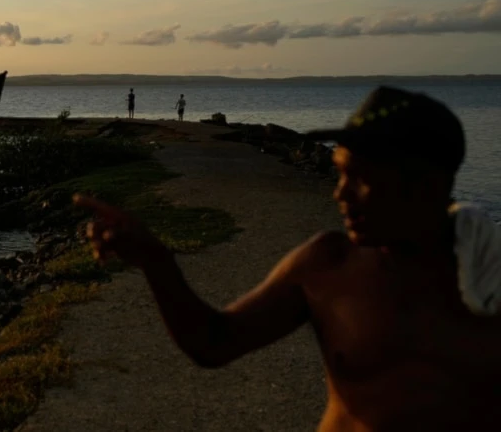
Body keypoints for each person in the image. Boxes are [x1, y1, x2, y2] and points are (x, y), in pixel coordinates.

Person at [76, 86, 501, 431]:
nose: (340, 194)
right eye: (339, 173)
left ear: (428, 185)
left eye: (362, 178)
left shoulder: (487, 287)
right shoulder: (329, 265)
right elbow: (214, 342)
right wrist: (155, 260)